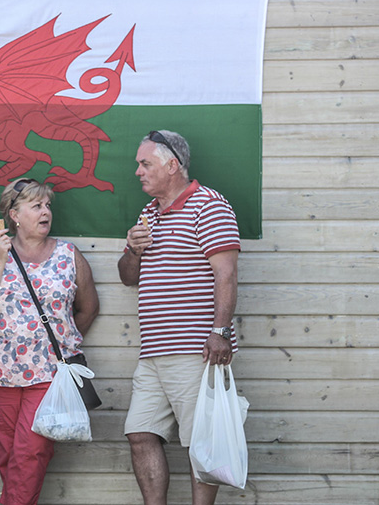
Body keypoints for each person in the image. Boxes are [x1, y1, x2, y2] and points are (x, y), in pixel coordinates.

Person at [117, 130, 241, 505]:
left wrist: (219, 332)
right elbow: (127, 277)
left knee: (201, 441)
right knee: (140, 433)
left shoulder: (210, 205)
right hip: (153, 351)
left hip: (195, 349)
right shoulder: (147, 213)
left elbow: (227, 274)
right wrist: (133, 250)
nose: (137, 171)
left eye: (145, 163)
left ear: (172, 165)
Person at [0, 178, 100, 505]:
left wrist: (56, 342)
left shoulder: (69, 254)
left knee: (30, 454)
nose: (46, 212)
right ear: (14, 214)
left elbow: (89, 308)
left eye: (48, 205)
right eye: (36, 205)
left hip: (49, 377)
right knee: (10, 457)